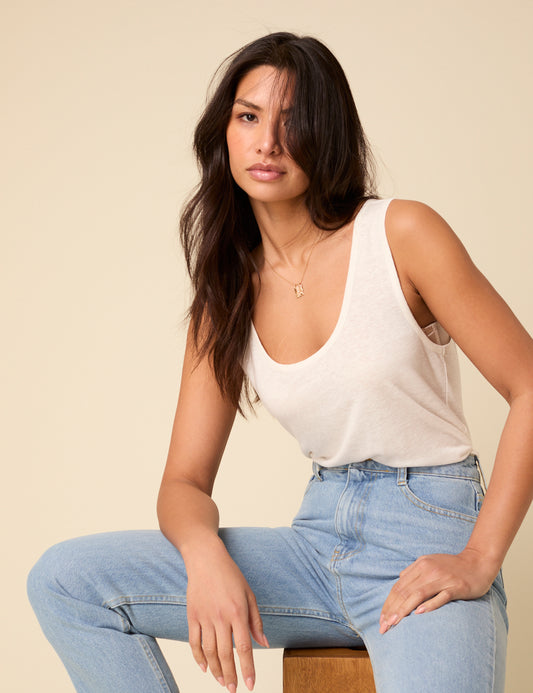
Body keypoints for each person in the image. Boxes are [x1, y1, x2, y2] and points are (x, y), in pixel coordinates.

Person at [27, 32, 533, 693]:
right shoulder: (226, 294)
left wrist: (479, 557)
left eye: (292, 120)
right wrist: (204, 557)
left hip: (426, 534)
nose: (267, 142)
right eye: (249, 116)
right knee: (65, 582)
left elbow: (528, 385)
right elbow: (183, 482)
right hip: (314, 545)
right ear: (224, 131)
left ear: (328, 134)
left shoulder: (401, 234)